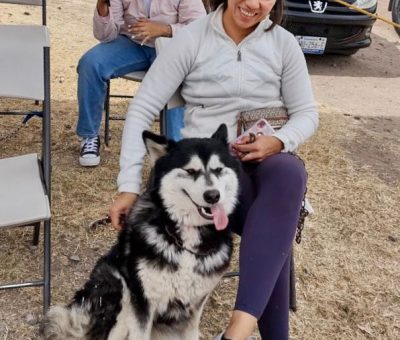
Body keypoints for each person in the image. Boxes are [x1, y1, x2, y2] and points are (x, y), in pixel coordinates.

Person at [110, 0, 319, 339]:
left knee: (288, 174)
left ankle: (236, 332)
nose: (252, 3)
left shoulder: (283, 43)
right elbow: (143, 107)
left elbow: (307, 113)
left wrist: (278, 141)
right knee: (271, 220)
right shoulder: (192, 38)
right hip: (210, 175)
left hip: (267, 165)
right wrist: (128, 184)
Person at [76, 0, 206, 167]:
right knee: (90, 64)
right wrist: (102, 8)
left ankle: (176, 149)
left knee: (176, 77)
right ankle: (89, 136)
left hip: (170, 45)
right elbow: (105, 36)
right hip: (132, 43)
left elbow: (199, 28)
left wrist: (165, 29)